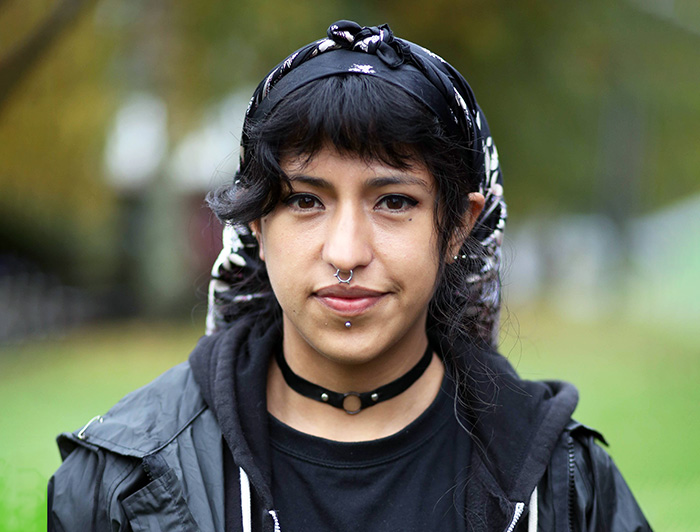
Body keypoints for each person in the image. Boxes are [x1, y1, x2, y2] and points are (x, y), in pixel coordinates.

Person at [48, 20, 652, 531]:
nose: (346, 252)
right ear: (256, 221)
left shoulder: (567, 487)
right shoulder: (125, 483)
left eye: (393, 201)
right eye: (305, 201)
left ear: (459, 225)